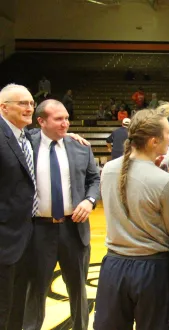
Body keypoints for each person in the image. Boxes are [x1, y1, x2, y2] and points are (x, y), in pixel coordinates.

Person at [94, 110, 169, 329]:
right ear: (153, 141)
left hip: (114, 264)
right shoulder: (165, 180)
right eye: (168, 132)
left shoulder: (109, 169)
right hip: (151, 267)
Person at [23, 100, 100, 330]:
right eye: (58, 119)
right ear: (41, 121)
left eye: (67, 118)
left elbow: (94, 180)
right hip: (38, 230)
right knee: (35, 290)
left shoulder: (80, 146)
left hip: (73, 230)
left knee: (78, 289)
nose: (65, 123)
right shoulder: (26, 143)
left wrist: (89, 200)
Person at [0, 84, 37, 329]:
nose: (29, 107)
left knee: (16, 307)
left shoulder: (25, 137)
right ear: (3, 107)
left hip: (25, 238)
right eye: (22, 103)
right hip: (3, 239)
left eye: (31, 103)